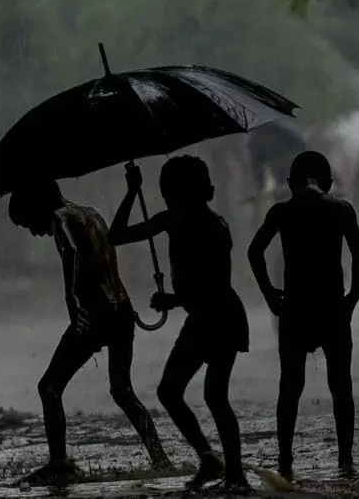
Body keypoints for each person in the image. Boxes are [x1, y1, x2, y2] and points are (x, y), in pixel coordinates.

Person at [8, 178, 173, 486]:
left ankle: (58, 464)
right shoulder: (92, 213)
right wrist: (131, 191)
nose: (33, 231)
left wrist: (71, 299)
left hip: (94, 315)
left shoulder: (60, 218)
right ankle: (161, 459)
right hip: (122, 309)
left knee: (49, 387)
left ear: (37, 206)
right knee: (122, 390)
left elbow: (72, 251)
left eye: (29, 222)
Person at [109, 157, 251, 491]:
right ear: (208, 190)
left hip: (218, 318)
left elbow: (213, 286)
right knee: (176, 392)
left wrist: (175, 299)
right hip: (209, 317)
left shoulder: (205, 225)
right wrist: (133, 191)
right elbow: (115, 236)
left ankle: (232, 473)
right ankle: (214, 462)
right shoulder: (186, 220)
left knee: (209, 396)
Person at [248, 150, 359, 481]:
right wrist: (352, 299)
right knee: (341, 386)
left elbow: (253, 251)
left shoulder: (282, 212)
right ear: (329, 183)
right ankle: (345, 461)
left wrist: (270, 294)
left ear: (290, 184)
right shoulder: (340, 210)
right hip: (332, 308)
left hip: (295, 310)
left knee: (289, 387)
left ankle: (285, 462)